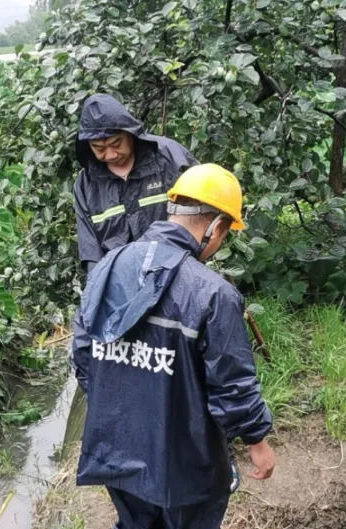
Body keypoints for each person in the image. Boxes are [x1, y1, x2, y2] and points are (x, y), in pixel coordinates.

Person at [71, 163, 275, 528]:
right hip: (186, 465)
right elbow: (231, 384)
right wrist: (257, 441)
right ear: (216, 228)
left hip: (116, 452)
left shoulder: (105, 269)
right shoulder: (213, 294)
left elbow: (83, 356)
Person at [73, 93, 198, 274]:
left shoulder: (169, 158)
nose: (110, 155)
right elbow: (91, 250)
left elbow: (202, 218)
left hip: (179, 273)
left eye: (116, 143)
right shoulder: (86, 185)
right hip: (124, 284)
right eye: (98, 148)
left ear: (129, 133)